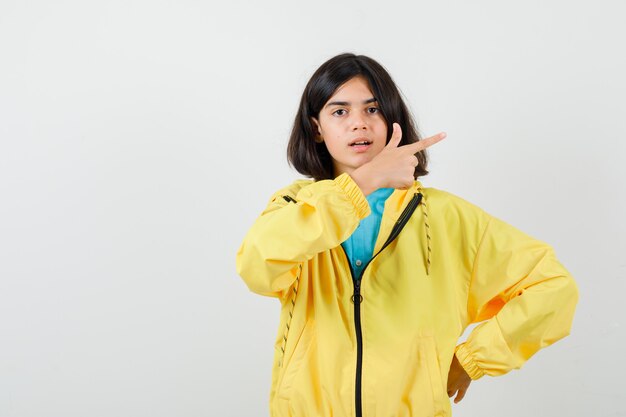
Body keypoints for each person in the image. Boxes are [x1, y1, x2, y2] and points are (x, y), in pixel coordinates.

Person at [235, 52, 578, 417]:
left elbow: (553, 285)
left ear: (392, 119)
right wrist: (364, 182)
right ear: (316, 127)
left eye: (373, 109)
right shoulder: (294, 205)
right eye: (340, 112)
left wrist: (471, 360)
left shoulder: (446, 217)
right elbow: (257, 267)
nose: (359, 124)